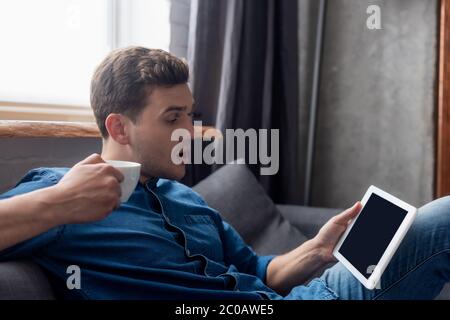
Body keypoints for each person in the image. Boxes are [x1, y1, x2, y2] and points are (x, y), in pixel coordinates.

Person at [0, 47, 448, 300]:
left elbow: (257, 270)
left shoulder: (186, 199)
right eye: (172, 118)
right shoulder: (61, 196)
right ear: (119, 126)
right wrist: (56, 202)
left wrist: (315, 250)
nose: (190, 133)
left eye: (190, 116)